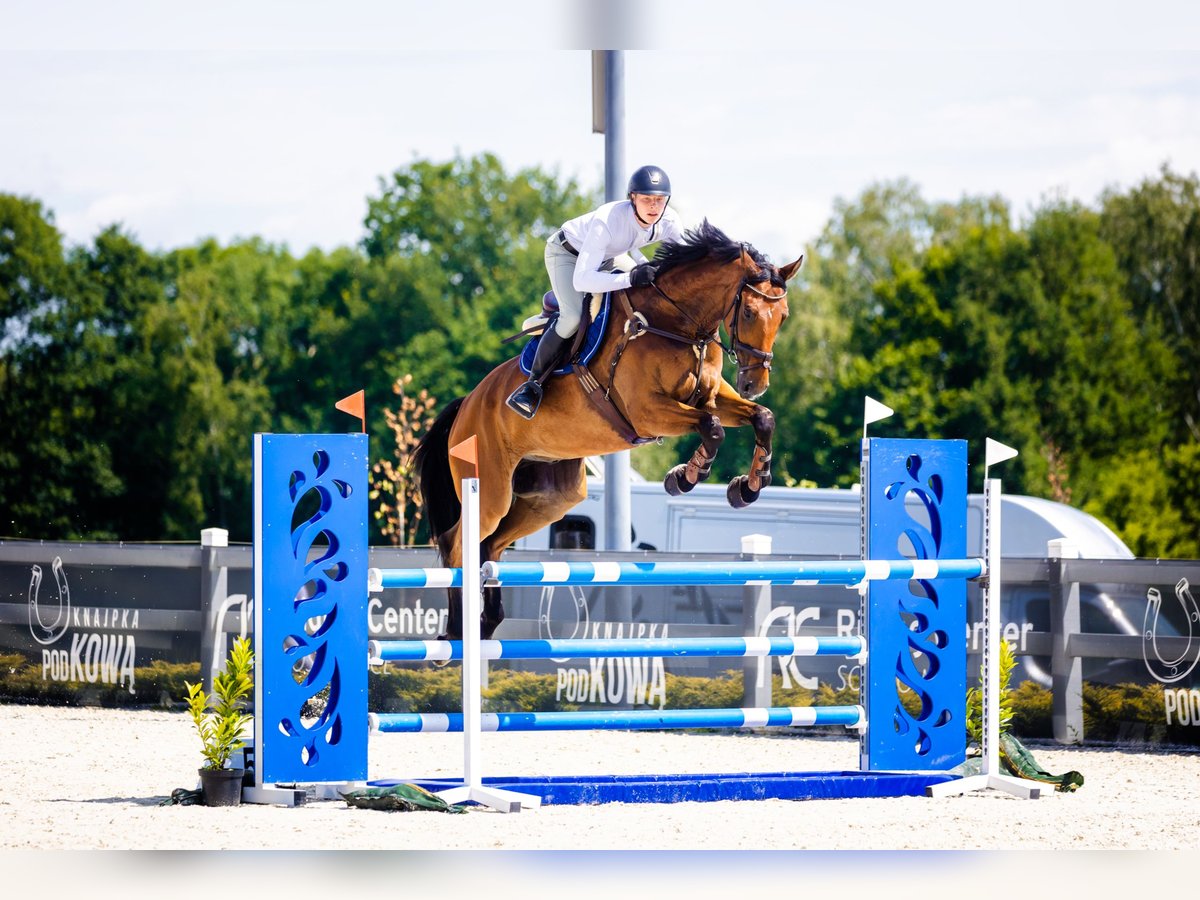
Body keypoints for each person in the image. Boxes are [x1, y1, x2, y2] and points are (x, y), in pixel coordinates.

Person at [505, 164, 685, 419]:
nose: (654, 207)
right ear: (632, 198)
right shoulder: (608, 219)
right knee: (573, 317)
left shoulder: (670, 221)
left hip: (610, 255)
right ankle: (532, 385)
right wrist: (631, 277)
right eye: (647, 199)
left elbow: (681, 267)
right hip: (567, 255)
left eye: (659, 200)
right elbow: (583, 280)